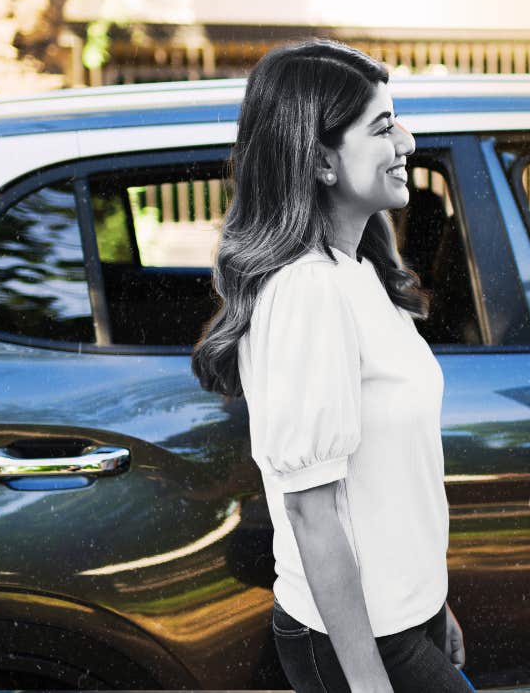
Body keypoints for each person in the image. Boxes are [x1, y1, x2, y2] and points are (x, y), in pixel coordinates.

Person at [191, 40, 470, 693]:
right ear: (319, 160)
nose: (406, 138)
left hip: (401, 617)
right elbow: (313, 513)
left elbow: (389, 486)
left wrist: (434, 602)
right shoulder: (308, 290)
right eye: (381, 126)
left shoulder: (358, 270)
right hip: (358, 640)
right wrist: (369, 682)